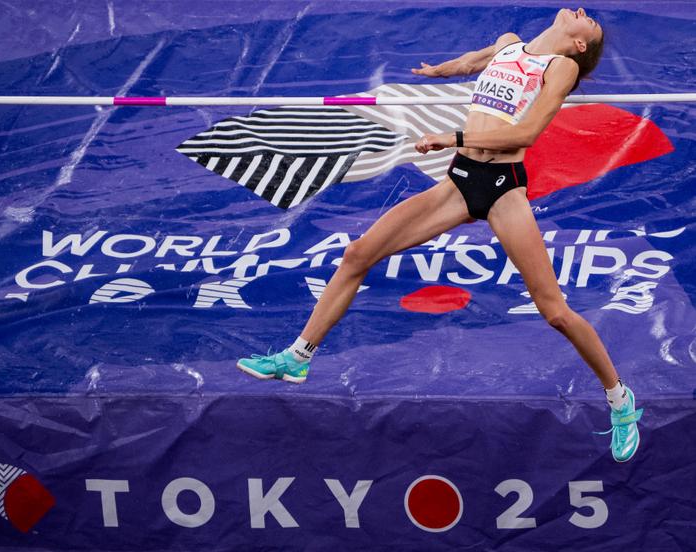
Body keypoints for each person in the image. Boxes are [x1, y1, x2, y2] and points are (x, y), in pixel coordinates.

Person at [237, 8, 643, 462]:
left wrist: (452, 137)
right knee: (358, 254)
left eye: (590, 23)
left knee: (555, 312)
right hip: (459, 183)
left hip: (502, 188)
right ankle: (298, 357)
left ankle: (620, 400)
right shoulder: (509, 43)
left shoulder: (561, 66)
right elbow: (472, 61)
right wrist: (440, 71)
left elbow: (526, 134)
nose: (584, 11)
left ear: (580, 44)